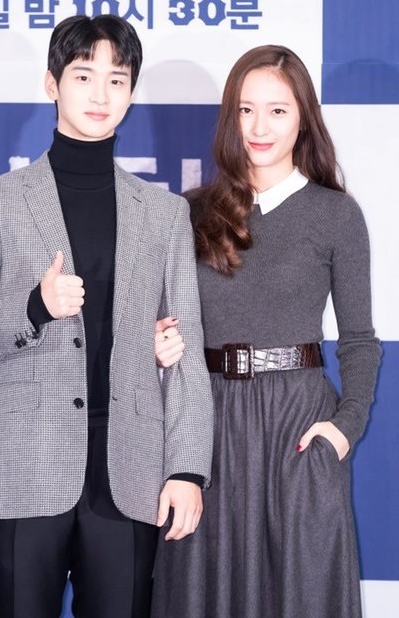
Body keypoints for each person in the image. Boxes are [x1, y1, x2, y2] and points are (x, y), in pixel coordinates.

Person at [0, 14, 213, 618]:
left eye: (117, 79)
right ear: (52, 83)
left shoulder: (164, 214)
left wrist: (188, 469)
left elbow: (186, 352)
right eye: (84, 76)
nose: (100, 94)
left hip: (130, 468)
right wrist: (34, 307)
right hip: (24, 465)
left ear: (131, 93)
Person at [152, 45, 381, 618]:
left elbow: (358, 341)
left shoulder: (336, 215)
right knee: (202, 592)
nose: (259, 127)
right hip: (207, 428)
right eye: (246, 110)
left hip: (297, 429)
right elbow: (163, 327)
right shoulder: (189, 212)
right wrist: (156, 347)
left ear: (303, 118)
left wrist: (344, 429)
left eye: (278, 111)